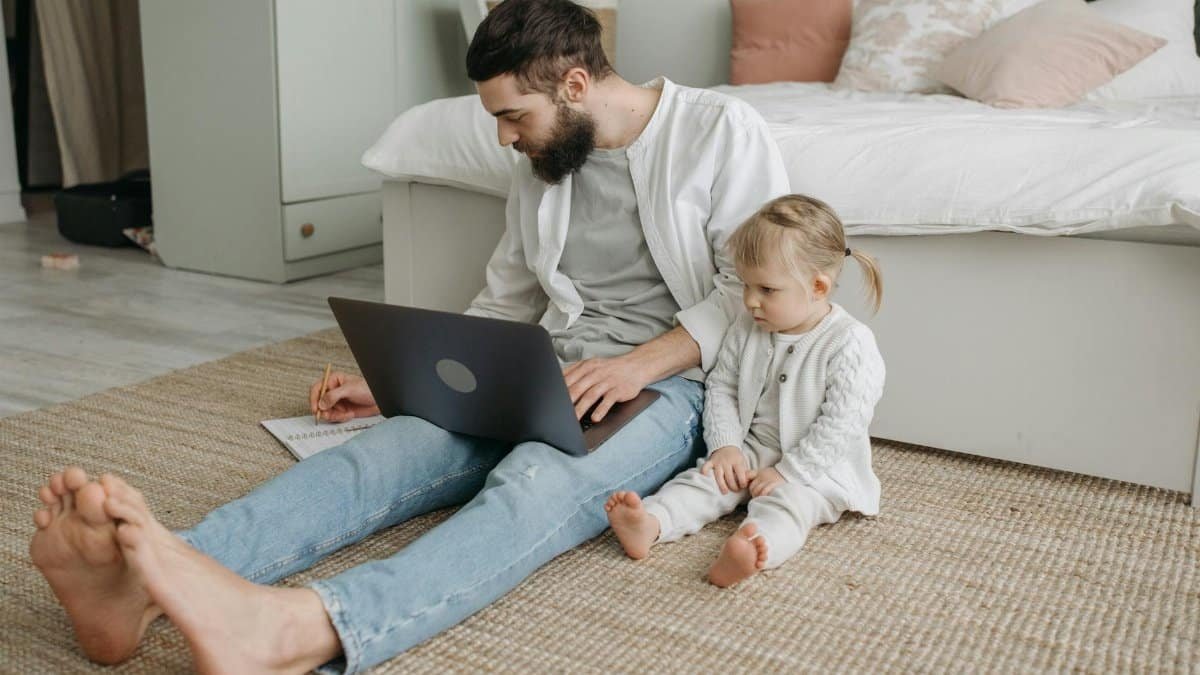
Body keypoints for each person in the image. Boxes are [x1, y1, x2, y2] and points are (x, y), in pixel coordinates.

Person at [27, 1, 789, 673]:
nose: (502, 139)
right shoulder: (544, 164)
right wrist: (414, 380)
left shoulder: (722, 132)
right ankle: (141, 582)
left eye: (513, 116)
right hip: (543, 366)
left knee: (530, 486)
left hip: (670, 386)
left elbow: (747, 291)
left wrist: (635, 366)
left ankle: (300, 629)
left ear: (576, 86)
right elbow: (508, 298)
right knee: (379, 456)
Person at [605, 194, 886, 588]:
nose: (751, 300)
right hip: (753, 448)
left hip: (817, 468)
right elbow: (722, 388)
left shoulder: (849, 343)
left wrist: (790, 472)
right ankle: (651, 522)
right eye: (745, 285)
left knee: (790, 505)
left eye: (767, 289)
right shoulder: (747, 327)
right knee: (705, 480)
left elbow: (841, 424)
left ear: (818, 287)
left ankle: (753, 547)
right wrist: (725, 446)